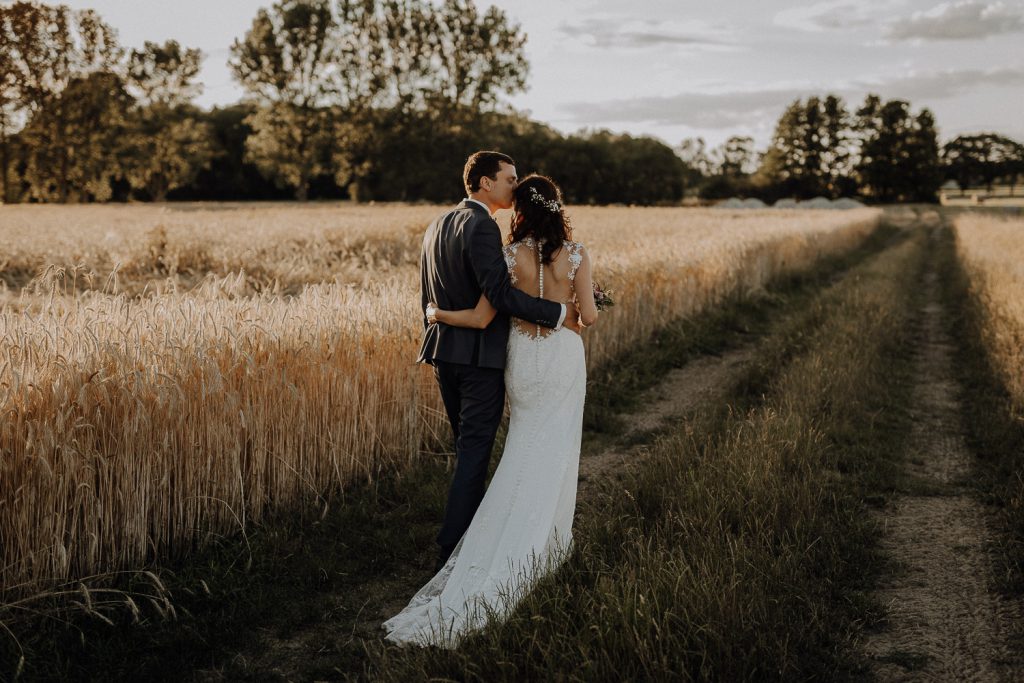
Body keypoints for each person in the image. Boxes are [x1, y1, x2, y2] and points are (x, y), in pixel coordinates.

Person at [383, 172, 598, 647]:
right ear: (557, 206)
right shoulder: (577, 252)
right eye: (506, 177)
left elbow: (487, 312)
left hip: (520, 359)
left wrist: (435, 315)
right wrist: (576, 309)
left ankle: (493, 540)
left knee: (521, 443)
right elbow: (590, 316)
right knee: (558, 448)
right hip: (562, 356)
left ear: (522, 207)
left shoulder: (501, 249)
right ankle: (546, 545)